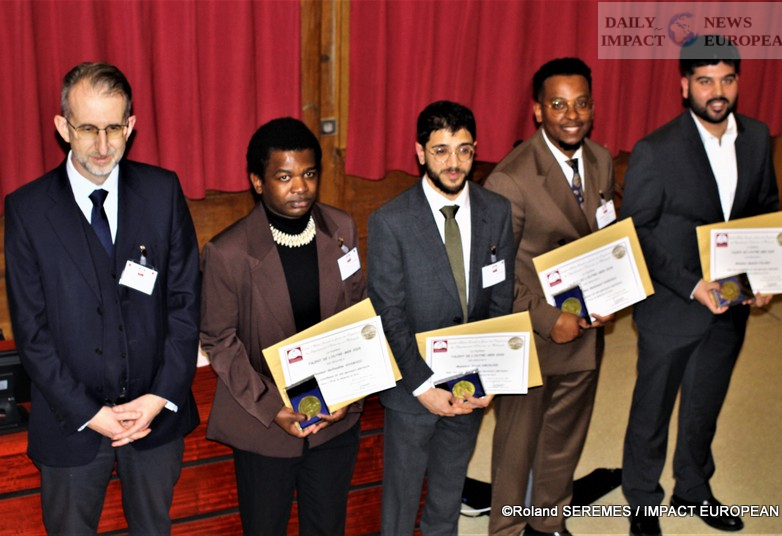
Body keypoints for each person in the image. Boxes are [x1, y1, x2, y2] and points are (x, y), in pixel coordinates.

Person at [4, 62, 200, 534]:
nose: (103, 145)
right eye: (88, 129)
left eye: (114, 128)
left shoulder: (162, 192)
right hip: (68, 425)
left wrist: (158, 397)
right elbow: (32, 334)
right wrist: (89, 413)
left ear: (131, 126)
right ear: (62, 127)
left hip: (153, 421)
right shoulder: (27, 210)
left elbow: (185, 304)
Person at [620, 37, 779, 536]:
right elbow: (636, 232)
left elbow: (764, 209)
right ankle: (642, 502)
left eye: (727, 79)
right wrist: (692, 286)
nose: (718, 91)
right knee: (652, 411)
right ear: (684, 85)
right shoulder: (656, 149)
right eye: (705, 80)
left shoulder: (757, 137)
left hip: (731, 304)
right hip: (673, 304)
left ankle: (693, 488)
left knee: (704, 406)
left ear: (738, 82)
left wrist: (765, 275)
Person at [200, 117, 364, 535]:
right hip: (264, 423)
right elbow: (219, 340)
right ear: (258, 182)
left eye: (309, 174)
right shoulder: (227, 253)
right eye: (284, 177)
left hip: (335, 420)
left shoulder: (341, 229)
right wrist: (274, 409)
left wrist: (349, 391)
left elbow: (357, 311)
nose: (300, 187)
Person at [367, 100, 515, 535]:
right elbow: (388, 313)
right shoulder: (390, 221)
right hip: (413, 391)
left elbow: (501, 298)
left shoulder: (497, 210)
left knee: (448, 495)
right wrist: (423, 386)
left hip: (471, 384)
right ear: (420, 152)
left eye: (464, 150)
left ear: (475, 150)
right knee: (401, 503)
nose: (454, 163)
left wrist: (492, 375)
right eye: (441, 151)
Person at [483, 57, 615, 536]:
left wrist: (612, 291)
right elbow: (493, 275)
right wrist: (546, 318)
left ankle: (549, 522)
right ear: (538, 111)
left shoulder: (601, 160)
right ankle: (507, 531)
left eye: (581, 103)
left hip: (586, 328)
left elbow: (604, 236)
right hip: (532, 336)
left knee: (565, 437)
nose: (571, 115)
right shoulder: (510, 179)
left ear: (593, 106)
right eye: (558, 105)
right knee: (516, 448)